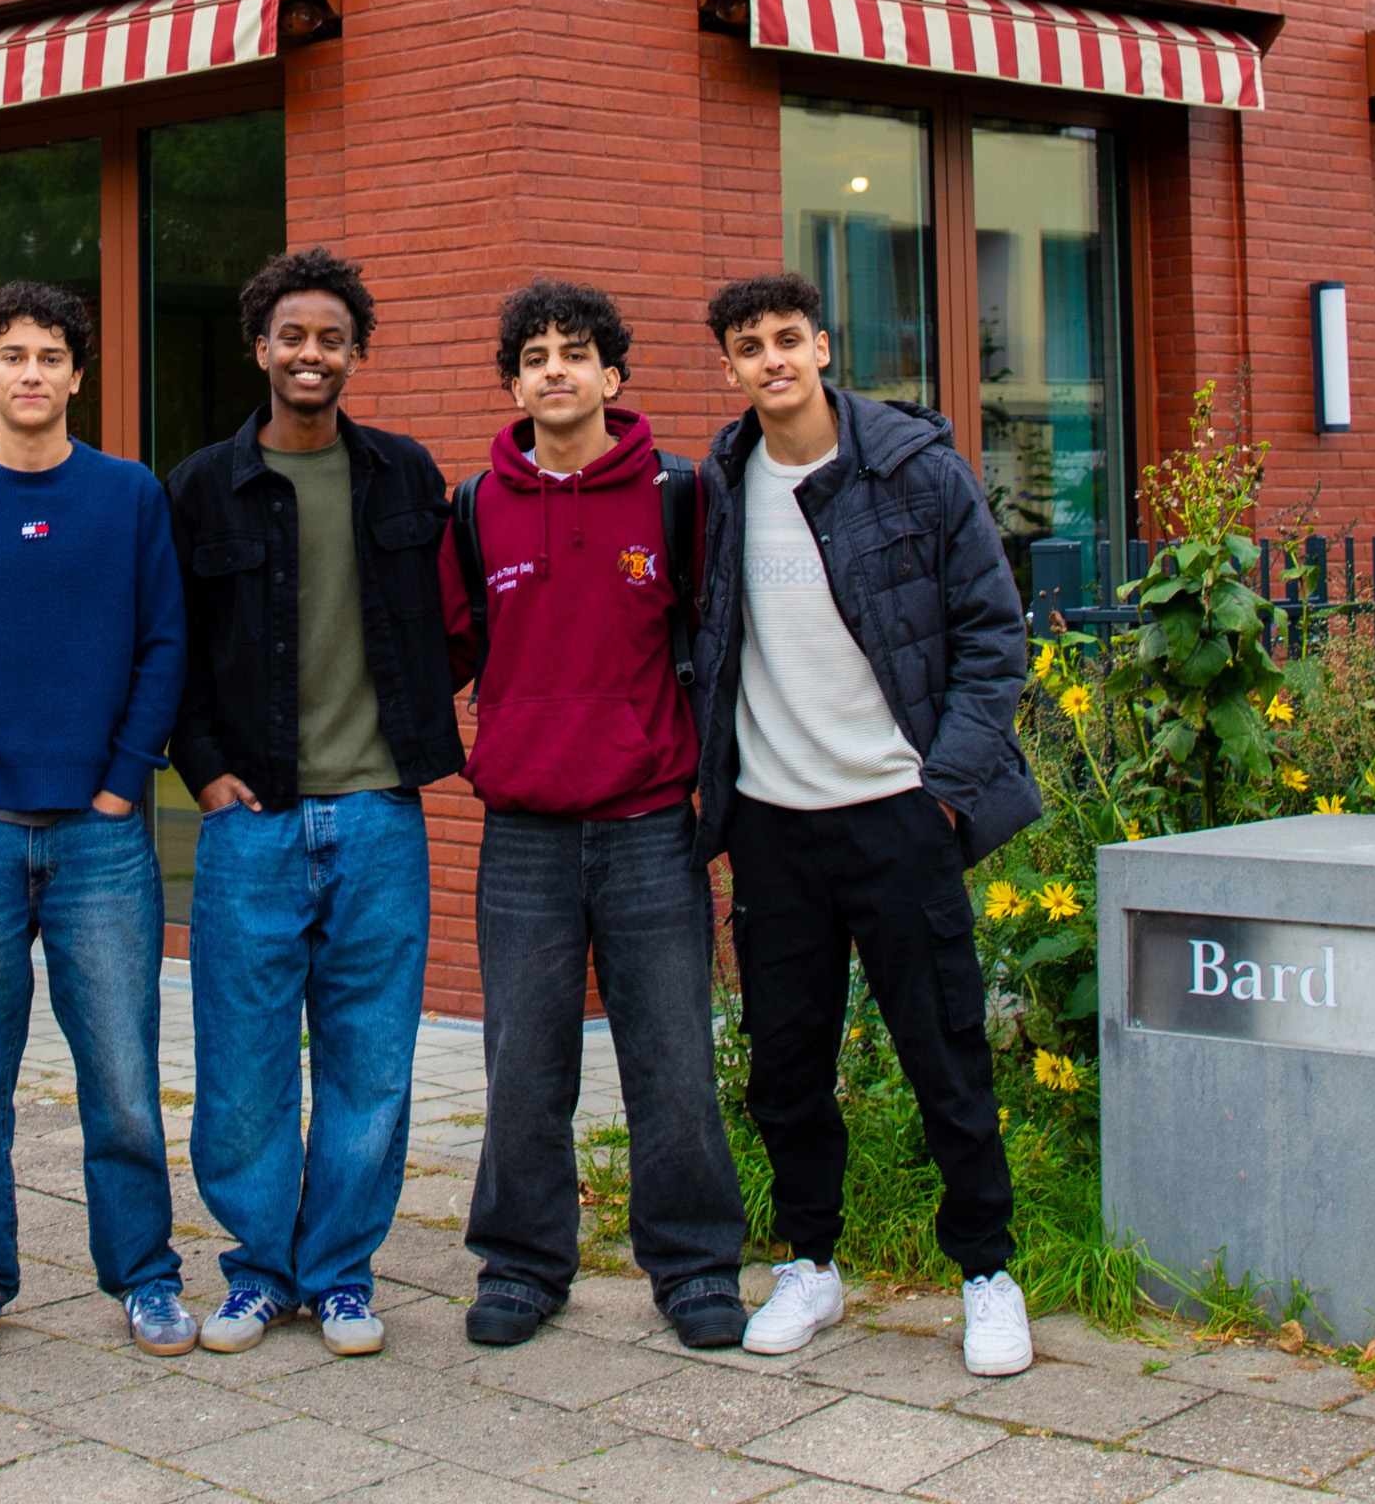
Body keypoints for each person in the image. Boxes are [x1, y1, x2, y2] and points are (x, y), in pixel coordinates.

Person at [692, 273, 1044, 1375]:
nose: (771, 359)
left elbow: (995, 640)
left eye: (787, 338)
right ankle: (812, 1261)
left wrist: (942, 790)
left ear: (824, 345)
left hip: (898, 813)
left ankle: (987, 1271)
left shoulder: (916, 472)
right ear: (731, 367)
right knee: (785, 1062)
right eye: (749, 346)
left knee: (944, 1048)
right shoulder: (718, 484)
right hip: (774, 823)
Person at [0, 280, 191, 1369]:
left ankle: (146, 1275)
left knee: (119, 1074)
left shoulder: (127, 495)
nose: (30, 372)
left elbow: (163, 643)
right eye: (11, 353)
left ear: (76, 374)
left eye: (50, 355)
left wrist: (122, 781)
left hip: (101, 835)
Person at [438, 281, 747, 1353]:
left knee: (672, 1055)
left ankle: (697, 1264)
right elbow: (443, 648)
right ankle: (522, 1264)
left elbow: (723, 642)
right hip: (524, 827)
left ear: (613, 378)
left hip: (651, 821)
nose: (555, 368)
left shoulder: (678, 494)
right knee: (524, 1061)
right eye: (535, 355)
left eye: (576, 352)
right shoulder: (478, 505)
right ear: (516, 381)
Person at [165, 249, 459, 1358]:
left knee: (370, 1060)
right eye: (292, 335)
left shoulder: (403, 473)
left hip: (381, 813)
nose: (310, 354)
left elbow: (452, 615)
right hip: (253, 820)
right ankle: (256, 1270)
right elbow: (171, 647)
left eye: (331, 337)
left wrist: (426, 729)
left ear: (354, 353)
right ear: (260, 346)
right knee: (241, 1067)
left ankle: (339, 1272)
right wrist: (201, 765)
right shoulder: (201, 485)